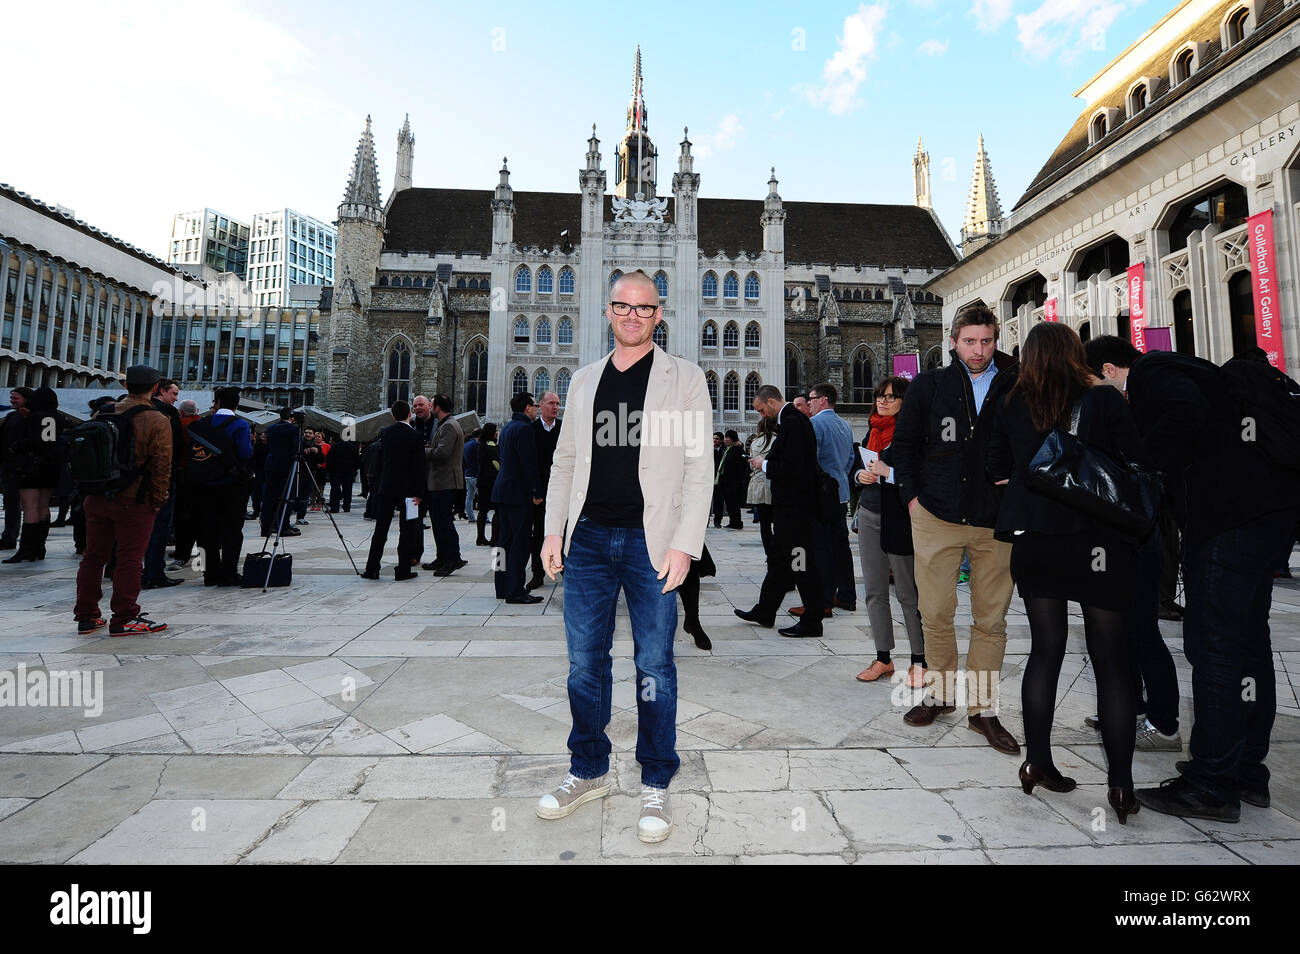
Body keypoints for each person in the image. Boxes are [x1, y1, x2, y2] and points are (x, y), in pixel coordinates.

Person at [1085, 336, 1300, 823]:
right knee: (1248, 642)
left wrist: (1141, 463)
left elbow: (1182, 418)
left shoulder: (1153, 372)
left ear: (1108, 369)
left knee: (1215, 647)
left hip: (1228, 520)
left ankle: (1211, 783)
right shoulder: (1194, 369)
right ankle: (1245, 771)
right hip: (1265, 514)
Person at [536, 270, 712, 844]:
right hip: (587, 539)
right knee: (584, 665)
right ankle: (587, 769)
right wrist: (553, 532)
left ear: (659, 315)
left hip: (651, 542)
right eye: (623, 306)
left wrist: (686, 543)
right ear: (608, 311)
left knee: (654, 666)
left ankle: (656, 778)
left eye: (644, 308)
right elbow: (564, 463)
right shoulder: (585, 381)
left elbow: (696, 467)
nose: (633, 316)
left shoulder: (684, 379)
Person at [987, 323, 1143, 823]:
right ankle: (1120, 787)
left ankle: (1038, 762)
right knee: (1111, 660)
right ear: (1077, 353)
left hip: (1035, 538)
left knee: (1045, 650)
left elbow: (991, 462)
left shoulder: (1010, 399)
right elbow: (1134, 462)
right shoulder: (1105, 400)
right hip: (1098, 540)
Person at [891, 303, 1021, 754]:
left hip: (995, 520)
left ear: (996, 340)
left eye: (986, 341)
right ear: (952, 341)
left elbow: (1040, 440)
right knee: (935, 612)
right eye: (969, 341)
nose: (978, 350)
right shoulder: (930, 385)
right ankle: (942, 695)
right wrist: (912, 499)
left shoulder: (1018, 384)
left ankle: (983, 711)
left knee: (991, 620)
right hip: (937, 515)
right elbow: (903, 446)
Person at [1087, 359, 1182, 753]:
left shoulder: (1130, 416)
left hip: (1139, 542)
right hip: (1122, 542)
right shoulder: (1116, 413)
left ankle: (1165, 725)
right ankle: (1134, 709)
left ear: (1106, 373)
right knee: (1123, 634)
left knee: (1143, 633)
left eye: (1088, 382)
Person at [73, 365, 171, 635]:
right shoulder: (157, 419)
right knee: (129, 557)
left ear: (126, 386)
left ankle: (87, 615)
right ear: (154, 388)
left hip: (96, 494)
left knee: (93, 556)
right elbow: (162, 464)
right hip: (135, 498)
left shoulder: (102, 412)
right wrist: (158, 498)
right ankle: (125, 617)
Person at [735, 384, 825, 638]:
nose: (762, 416)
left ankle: (813, 619)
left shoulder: (793, 423)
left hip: (796, 509)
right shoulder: (791, 421)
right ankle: (765, 610)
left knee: (800, 562)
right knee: (778, 559)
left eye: (762, 410)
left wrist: (764, 464)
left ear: (772, 402)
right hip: (788, 508)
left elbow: (793, 467)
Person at [851, 376, 926, 687]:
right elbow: (854, 468)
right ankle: (883, 658)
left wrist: (889, 473)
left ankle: (920, 661)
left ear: (904, 402)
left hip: (899, 518)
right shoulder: (873, 430)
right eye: (880, 395)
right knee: (874, 592)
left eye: (891, 397)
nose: (883, 401)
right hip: (869, 513)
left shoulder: (913, 433)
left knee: (908, 593)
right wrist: (859, 475)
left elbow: (922, 477)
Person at [798, 382, 856, 617]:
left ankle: (823, 601)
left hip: (821, 495)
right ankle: (846, 596)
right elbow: (851, 459)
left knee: (821, 548)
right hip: (840, 493)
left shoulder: (815, 424)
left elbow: (809, 458)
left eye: (811, 399)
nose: (809, 403)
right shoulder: (845, 425)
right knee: (841, 547)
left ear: (822, 399)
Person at [187, 387, 253, 587]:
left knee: (206, 531)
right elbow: (245, 453)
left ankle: (210, 574)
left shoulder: (201, 424)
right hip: (231, 484)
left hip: (202, 484)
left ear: (216, 402)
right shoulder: (240, 425)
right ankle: (229, 573)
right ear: (236, 404)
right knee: (232, 530)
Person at [361, 400, 425, 581]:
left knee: (381, 529)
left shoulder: (385, 434)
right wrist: (419, 493)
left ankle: (372, 568)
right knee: (407, 531)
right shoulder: (416, 437)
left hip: (387, 487)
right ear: (410, 415)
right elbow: (419, 468)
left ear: (393, 416)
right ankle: (403, 569)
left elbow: (380, 461)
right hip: (409, 490)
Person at [2, 386, 64, 564]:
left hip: (32, 467)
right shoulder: (58, 417)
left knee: (29, 508)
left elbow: (34, 441)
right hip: (51, 466)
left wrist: (17, 447)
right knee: (44, 507)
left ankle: (26, 550)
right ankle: (40, 547)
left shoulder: (34, 417)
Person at [493, 392, 542, 602]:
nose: (537, 408)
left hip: (502, 491)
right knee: (520, 544)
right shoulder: (524, 429)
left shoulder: (506, 428)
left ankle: (500, 586)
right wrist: (537, 491)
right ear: (526, 407)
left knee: (501, 543)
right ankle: (515, 589)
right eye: (535, 405)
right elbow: (528, 464)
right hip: (518, 493)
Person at [140, 379, 184, 590]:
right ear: (161, 391)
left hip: (131, 479)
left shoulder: (126, 407)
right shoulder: (167, 412)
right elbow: (175, 448)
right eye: (174, 393)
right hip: (161, 477)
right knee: (159, 526)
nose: (176, 398)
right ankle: (153, 573)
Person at [423, 393, 467, 576]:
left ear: (437, 407)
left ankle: (452, 558)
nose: (430, 408)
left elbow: (442, 453)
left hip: (445, 481)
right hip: (440, 481)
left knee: (444, 522)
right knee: (438, 522)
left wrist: (424, 450)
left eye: (431, 405)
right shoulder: (445, 424)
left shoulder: (449, 426)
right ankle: (442, 557)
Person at [528, 391, 562, 590]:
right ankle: (537, 573)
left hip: (561, 491)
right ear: (541, 405)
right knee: (539, 533)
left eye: (557, 403)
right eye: (551, 403)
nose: (555, 407)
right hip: (540, 492)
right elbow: (530, 463)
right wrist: (535, 491)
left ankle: (566, 570)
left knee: (565, 532)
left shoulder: (564, 429)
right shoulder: (531, 429)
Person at [0, 387, 35, 551]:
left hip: (21, 467)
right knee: (11, 502)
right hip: (9, 466)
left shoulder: (30, 418)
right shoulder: (11, 416)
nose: (12, 400)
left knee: (19, 504)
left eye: (16, 398)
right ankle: (9, 536)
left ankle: (14, 538)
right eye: (11, 397)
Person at [261, 408, 301, 539]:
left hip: (271, 464)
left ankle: (266, 527)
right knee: (286, 497)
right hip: (286, 466)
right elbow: (296, 448)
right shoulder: (294, 429)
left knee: (269, 497)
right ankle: (283, 526)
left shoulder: (271, 428)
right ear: (292, 417)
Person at [746, 413, 776, 555]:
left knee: (764, 524)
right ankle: (777, 553)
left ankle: (768, 554)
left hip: (758, 484)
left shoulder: (755, 442)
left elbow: (752, 465)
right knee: (777, 522)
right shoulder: (777, 440)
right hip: (773, 485)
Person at [717, 430, 748, 530]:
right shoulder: (729, 449)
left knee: (734, 503)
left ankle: (737, 522)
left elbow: (740, 466)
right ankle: (733, 521)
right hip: (728, 481)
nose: (726, 440)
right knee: (730, 503)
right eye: (725, 437)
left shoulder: (736, 449)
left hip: (733, 482)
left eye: (728, 438)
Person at [476, 423, 500, 546]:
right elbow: (496, 463)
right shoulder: (492, 446)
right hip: (492, 482)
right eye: (495, 431)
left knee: (483, 510)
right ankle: (494, 539)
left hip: (482, 481)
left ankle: (480, 537)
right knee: (497, 510)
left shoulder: (480, 445)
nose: (497, 433)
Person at [326, 431, 360, 514]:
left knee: (335, 489)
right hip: (349, 471)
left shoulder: (334, 447)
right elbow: (358, 461)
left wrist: (329, 470)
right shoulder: (353, 447)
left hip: (335, 471)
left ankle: (334, 507)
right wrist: (354, 470)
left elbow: (329, 460)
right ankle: (346, 507)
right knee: (347, 489)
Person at [463, 429, 480, 522]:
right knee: (481, 496)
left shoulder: (466, 445)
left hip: (467, 473)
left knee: (469, 496)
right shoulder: (476, 445)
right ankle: (484, 516)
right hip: (475, 473)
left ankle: (471, 517)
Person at [710, 432, 725, 528]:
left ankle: (717, 521)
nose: (714, 440)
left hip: (720, 480)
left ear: (721, 440)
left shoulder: (724, 450)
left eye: (717, 439)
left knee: (719, 502)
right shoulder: (709, 450)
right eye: (713, 438)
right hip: (709, 479)